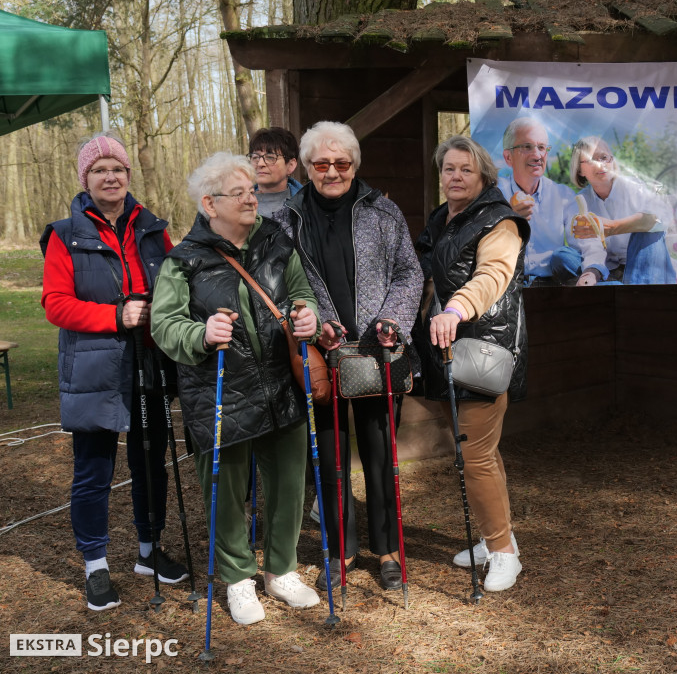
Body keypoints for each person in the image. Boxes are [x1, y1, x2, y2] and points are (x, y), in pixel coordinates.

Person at [150, 152, 321, 625]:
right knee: (226, 490)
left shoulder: (276, 241)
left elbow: (303, 294)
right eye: (239, 192)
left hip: (280, 385)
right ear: (210, 203)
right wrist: (201, 335)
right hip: (220, 389)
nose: (252, 198)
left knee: (288, 483)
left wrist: (308, 316)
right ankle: (239, 579)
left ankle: (281, 570)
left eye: (252, 190)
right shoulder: (184, 260)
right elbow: (164, 325)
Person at [272, 121, 423, 593]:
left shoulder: (383, 211)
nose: (332, 171)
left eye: (342, 163)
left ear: (354, 165)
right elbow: (280, 290)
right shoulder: (286, 220)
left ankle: (390, 548)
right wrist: (315, 326)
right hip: (324, 356)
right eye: (322, 163)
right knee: (331, 459)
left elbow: (408, 273)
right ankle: (341, 551)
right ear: (309, 167)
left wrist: (392, 321)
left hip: (380, 351)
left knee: (382, 454)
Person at [40, 132, 188, 612]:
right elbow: (56, 304)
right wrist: (114, 316)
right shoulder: (65, 234)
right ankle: (96, 566)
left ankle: (149, 550)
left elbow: (174, 286)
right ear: (86, 178)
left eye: (118, 168)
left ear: (128, 176)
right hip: (95, 366)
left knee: (151, 461)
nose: (111, 176)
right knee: (93, 468)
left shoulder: (152, 228)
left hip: (149, 363)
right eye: (100, 169)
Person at [415, 134, 529, 592]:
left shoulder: (499, 221)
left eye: (465, 169)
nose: (455, 176)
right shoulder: (443, 219)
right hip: (444, 352)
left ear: (482, 175)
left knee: (476, 456)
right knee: (476, 452)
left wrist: (456, 308)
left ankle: (503, 553)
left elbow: (493, 275)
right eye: (448, 169)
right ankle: (495, 536)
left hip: (481, 350)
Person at [567, 136, 676, 286]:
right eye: (591, 159)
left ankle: (636, 297)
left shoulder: (634, 187)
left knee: (647, 232)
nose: (601, 165)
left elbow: (662, 217)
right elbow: (592, 249)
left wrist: (612, 227)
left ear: (612, 161)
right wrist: (589, 274)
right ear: (579, 170)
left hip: (648, 265)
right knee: (564, 258)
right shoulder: (581, 202)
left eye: (605, 157)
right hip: (612, 271)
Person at [496, 117, 579, 285]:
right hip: (507, 287)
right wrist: (507, 217)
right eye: (527, 147)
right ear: (508, 157)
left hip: (553, 286)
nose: (537, 155)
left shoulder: (563, 195)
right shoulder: (494, 194)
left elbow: (581, 246)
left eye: (542, 148)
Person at [248, 126, 302, 218]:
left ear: (291, 165)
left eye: (270, 158)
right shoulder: (239, 203)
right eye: (255, 157)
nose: (260, 164)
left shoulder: (307, 205)